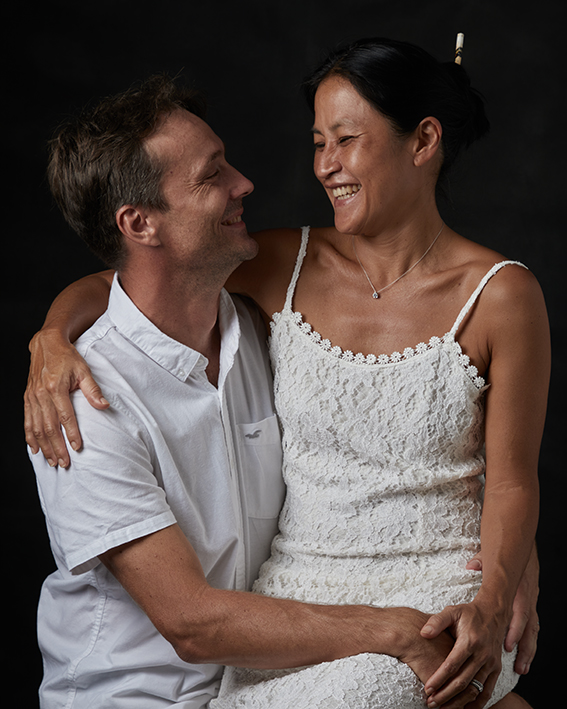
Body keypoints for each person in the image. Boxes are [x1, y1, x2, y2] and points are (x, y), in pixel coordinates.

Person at [24, 36, 547, 707]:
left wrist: (503, 579)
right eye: (317, 142)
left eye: (345, 140)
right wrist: (51, 336)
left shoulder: (496, 295)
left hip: (417, 583)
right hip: (222, 643)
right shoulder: (276, 270)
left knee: (446, 682)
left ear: (422, 141)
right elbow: (124, 279)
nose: (323, 166)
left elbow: (508, 478)